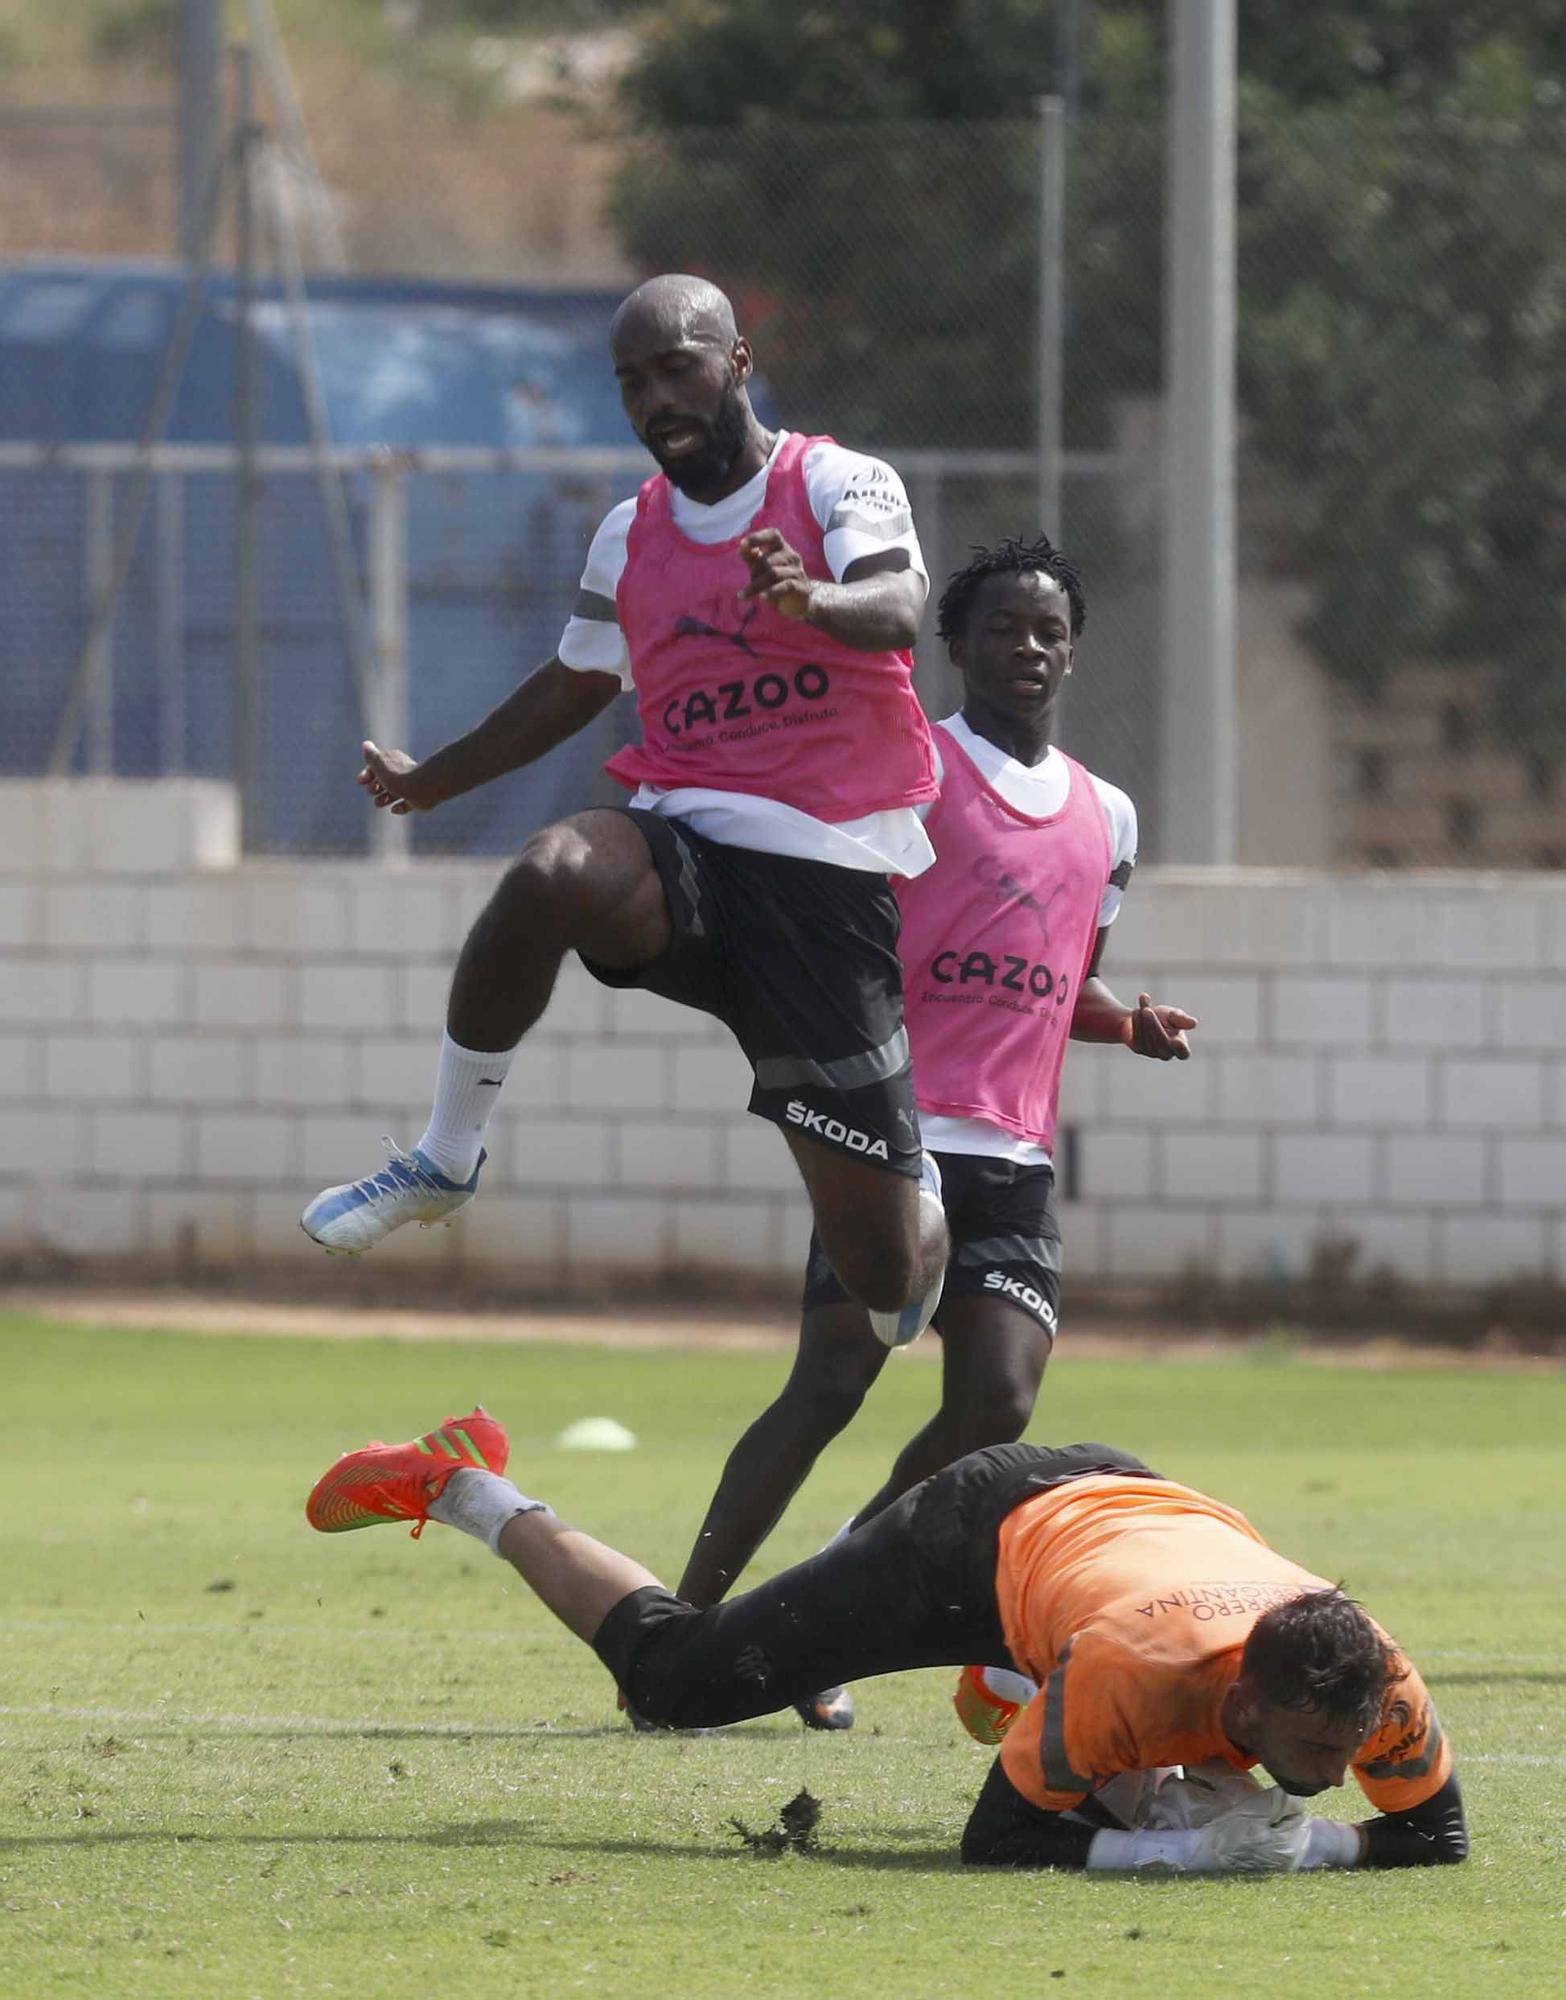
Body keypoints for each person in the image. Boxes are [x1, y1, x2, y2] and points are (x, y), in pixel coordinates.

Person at [300, 274, 947, 1343]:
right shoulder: (629, 534)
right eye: (633, 382)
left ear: (737, 363)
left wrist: (810, 599)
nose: (656, 400)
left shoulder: (839, 481)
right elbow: (573, 684)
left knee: (879, 1274)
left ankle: (921, 1202)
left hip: (826, 891)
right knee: (552, 872)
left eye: (677, 368)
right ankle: (445, 1155)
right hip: (687, 851)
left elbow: (898, 606)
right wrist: (431, 780)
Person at [667, 535, 1196, 1731]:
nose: (1029, 646)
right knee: (830, 1383)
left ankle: (819, 1612)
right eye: (1003, 626)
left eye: (1050, 629)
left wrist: (1128, 1020)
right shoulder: (910, 768)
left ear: (1074, 651)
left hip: (1015, 1160)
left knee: (998, 1400)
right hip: (895, 1138)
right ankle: (675, 1630)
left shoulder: (1108, 815)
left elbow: (1067, 978)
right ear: (955, 644)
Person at [305, 1411, 1469, 1875]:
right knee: (678, 1678)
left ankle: (1024, 1674)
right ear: (1252, 1704)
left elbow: (1440, 1834)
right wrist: (1198, 1851)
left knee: (1116, 1759)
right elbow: (996, 1841)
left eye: (1349, 1744)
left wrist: (1321, 1841)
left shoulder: (1375, 1679)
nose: (1339, 1771)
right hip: (969, 1535)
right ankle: (465, 1484)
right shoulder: (1139, 1668)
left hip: (1114, 1543)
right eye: (1317, 1752)